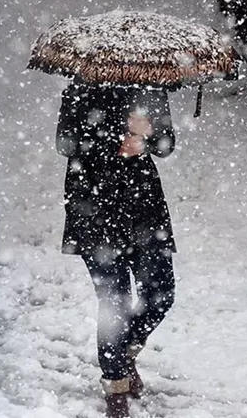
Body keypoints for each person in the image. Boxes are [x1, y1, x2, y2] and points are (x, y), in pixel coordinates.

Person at [55, 80, 176, 418]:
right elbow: (65, 144)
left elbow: (166, 146)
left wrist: (148, 134)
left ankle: (123, 355)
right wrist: (118, 138)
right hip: (94, 207)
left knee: (162, 293)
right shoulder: (80, 89)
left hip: (144, 209)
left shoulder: (151, 88)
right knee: (115, 303)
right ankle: (115, 389)